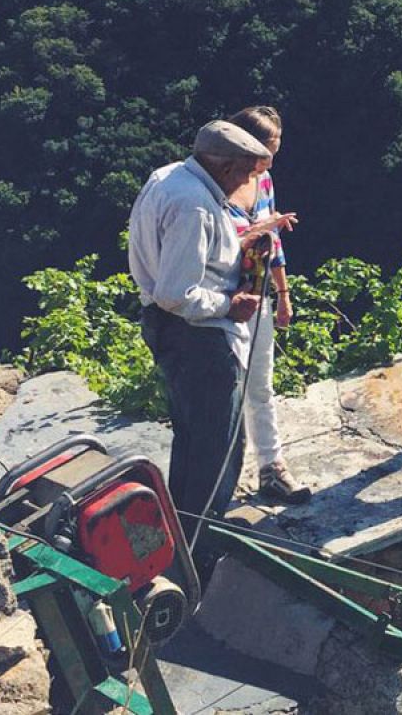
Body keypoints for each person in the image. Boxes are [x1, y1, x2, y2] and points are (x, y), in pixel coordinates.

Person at [127, 120, 270, 545]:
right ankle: (200, 547)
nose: (245, 184)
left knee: (191, 440)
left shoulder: (170, 177)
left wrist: (240, 246)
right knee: (218, 451)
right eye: (244, 174)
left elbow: (183, 261)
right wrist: (230, 305)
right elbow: (177, 293)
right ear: (224, 167)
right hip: (199, 338)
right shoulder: (196, 207)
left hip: (168, 329)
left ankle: (178, 536)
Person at [224, 106, 309, 504]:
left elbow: (273, 244)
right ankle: (220, 477)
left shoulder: (264, 181)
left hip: (257, 297)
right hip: (219, 302)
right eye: (265, 151)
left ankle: (271, 468)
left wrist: (283, 295)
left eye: (274, 151)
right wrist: (259, 229)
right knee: (224, 391)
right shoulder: (217, 186)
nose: (270, 161)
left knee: (260, 385)